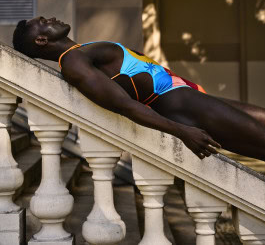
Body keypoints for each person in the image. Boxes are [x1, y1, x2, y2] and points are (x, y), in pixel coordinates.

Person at [12, 16, 265, 161]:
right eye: (43, 22)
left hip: (190, 96)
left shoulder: (79, 52)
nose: (51, 19)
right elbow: (124, 105)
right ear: (41, 40)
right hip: (185, 108)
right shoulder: (73, 63)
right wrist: (183, 132)